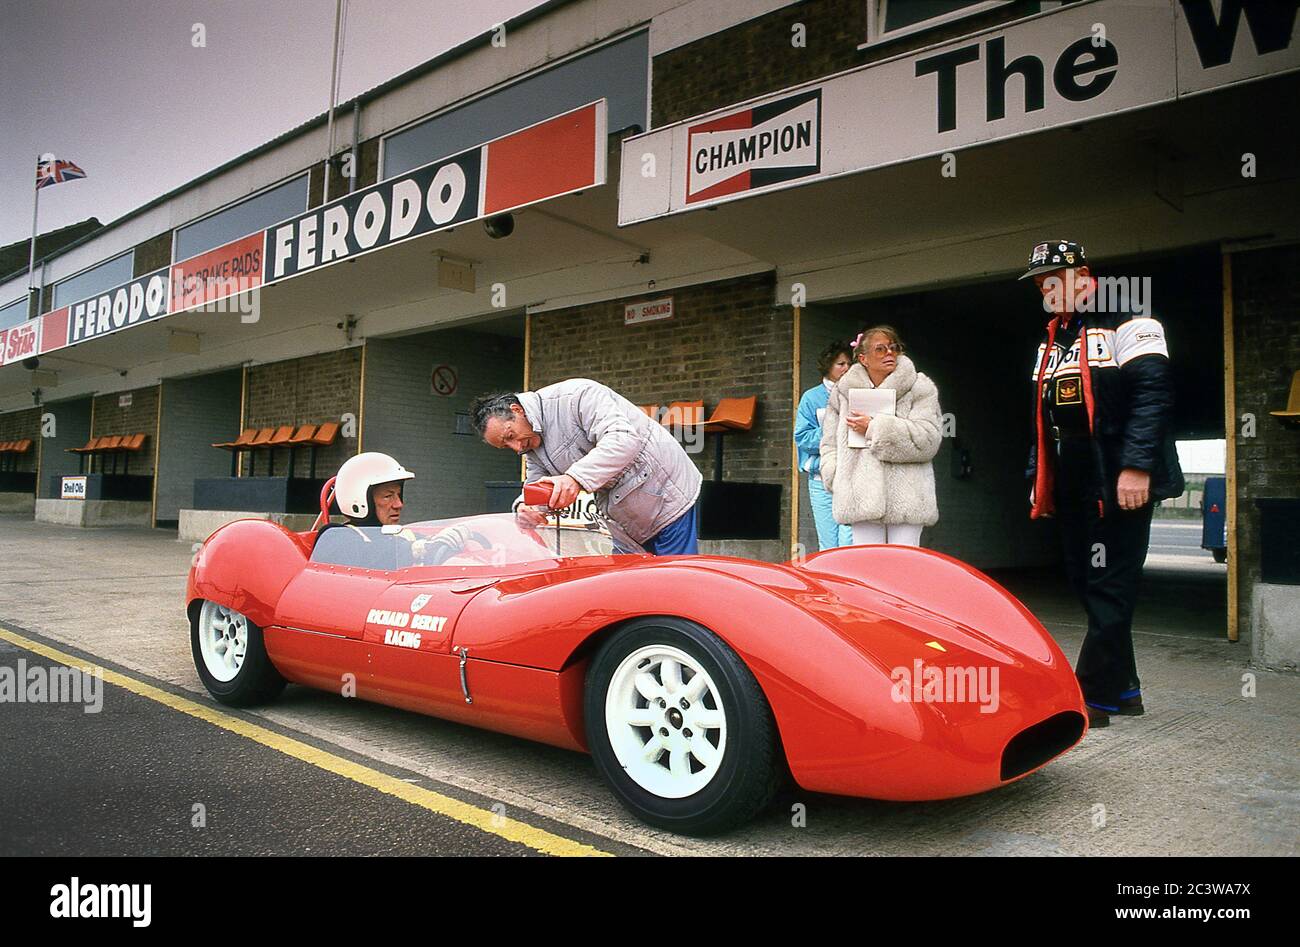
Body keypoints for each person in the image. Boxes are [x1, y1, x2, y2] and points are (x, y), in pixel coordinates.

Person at [1022, 240, 1183, 729]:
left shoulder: (1132, 319)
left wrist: (1136, 467)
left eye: (1055, 278)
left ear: (1085, 277)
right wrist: (1039, 477)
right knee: (1085, 578)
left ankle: (1091, 695)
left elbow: (1153, 396)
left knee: (1111, 580)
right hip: (1071, 470)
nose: (1047, 289)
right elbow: (1042, 416)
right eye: (1040, 283)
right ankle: (1125, 688)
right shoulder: (1052, 338)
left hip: (1116, 469)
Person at [471, 378, 703, 555]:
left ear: (517, 410)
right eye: (506, 446)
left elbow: (623, 439)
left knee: (674, 584)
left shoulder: (578, 396)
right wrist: (527, 509)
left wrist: (574, 478)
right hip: (625, 517)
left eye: (510, 435)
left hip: (665, 494)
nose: (516, 448)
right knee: (637, 589)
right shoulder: (529, 441)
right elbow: (536, 485)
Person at [820, 326, 941, 546]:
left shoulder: (920, 387)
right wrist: (835, 477)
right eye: (880, 349)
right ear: (863, 358)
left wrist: (875, 429)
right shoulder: (842, 392)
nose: (889, 354)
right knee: (866, 570)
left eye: (894, 348)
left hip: (908, 499)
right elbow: (828, 443)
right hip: (860, 497)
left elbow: (928, 440)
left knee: (903, 568)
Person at [313, 452, 419, 570]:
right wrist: (413, 548)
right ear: (361, 498)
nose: (399, 504)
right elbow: (371, 556)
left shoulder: (393, 535)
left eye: (399, 495)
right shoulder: (335, 538)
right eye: (388, 496)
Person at [795, 341, 854, 550]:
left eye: (849, 363)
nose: (846, 368)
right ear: (828, 366)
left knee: (849, 543)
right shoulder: (812, 397)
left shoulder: (856, 394)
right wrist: (834, 431)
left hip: (851, 478)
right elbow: (802, 437)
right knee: (828, 544)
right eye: (840, 364)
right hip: (821, 480)